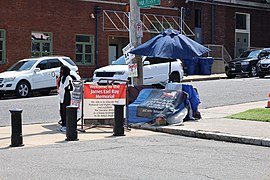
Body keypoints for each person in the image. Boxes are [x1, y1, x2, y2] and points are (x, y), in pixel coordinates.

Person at [57, 65, 74, 132]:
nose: (61, 71)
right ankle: (63, 124)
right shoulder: (62, 77)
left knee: (65, 110)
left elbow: (69, 87)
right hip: (61, 96)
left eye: (62, 70)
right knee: (62, 110)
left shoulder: (68, 78)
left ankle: (66, 125)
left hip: (66, 96)